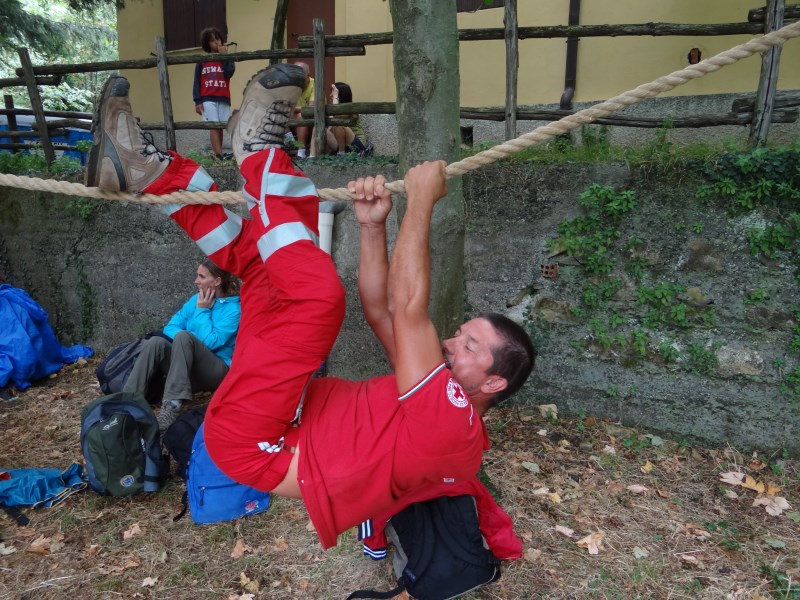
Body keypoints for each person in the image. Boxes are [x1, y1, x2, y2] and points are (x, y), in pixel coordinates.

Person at [85, 66, 535, 551]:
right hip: (271, 415)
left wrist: (422, 203)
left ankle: (260, 154)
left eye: (469, 345)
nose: (450, 342)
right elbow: (382, 311)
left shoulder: (455, 427)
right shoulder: (432, 392)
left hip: (259, 441)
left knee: (316, 299)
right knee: (263, 265)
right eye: (460, 333)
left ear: (493, 383)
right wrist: (371, 226)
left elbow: (407, 309)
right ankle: (145, 171)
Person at [122, 259, 241, 431]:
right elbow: (170, 327)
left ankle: (172, 405)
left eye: (201, 276)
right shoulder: (195, 300)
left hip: (215, 368)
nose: (196, 281)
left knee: (184, 337)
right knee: (157, 342)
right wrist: (187, 337)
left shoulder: (233, 309)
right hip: (186, 366)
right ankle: (126, 401)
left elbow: (212, 343)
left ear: (216, 281)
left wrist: (202, 311)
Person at [193, 27, 235, 160]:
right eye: (212, 41)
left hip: (223, 97)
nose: (216, 42)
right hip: (207, 98)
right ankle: (218, 154)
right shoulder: (202, 62)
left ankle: (220, 153)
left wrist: (225, 57)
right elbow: (197, 82)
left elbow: (229, 73)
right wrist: (197, 101)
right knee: (213, 125)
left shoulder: (227, 58)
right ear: (207, 44)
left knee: (221, 126)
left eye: (218, 39)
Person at [312, 82, 369, 157]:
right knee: (318, 128)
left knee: (338, 124)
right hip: (339, 144)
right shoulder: (330, 109)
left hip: (356, 146)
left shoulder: (351, 109)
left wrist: (336, 96)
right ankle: (312, 156)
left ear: (340, 95)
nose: (330, 95)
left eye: (333, 92)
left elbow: (336, 114)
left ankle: (341, 155)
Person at [291, 61, 315, 159]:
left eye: (299, 78)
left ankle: (301, 152)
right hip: (291, 118)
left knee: (302, 115)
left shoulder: (315, 84)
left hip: (310, 122)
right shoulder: (290, 84)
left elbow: (311, 109)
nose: (296, 81)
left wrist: (292, 108)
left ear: (308, 75)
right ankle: (290, 141)